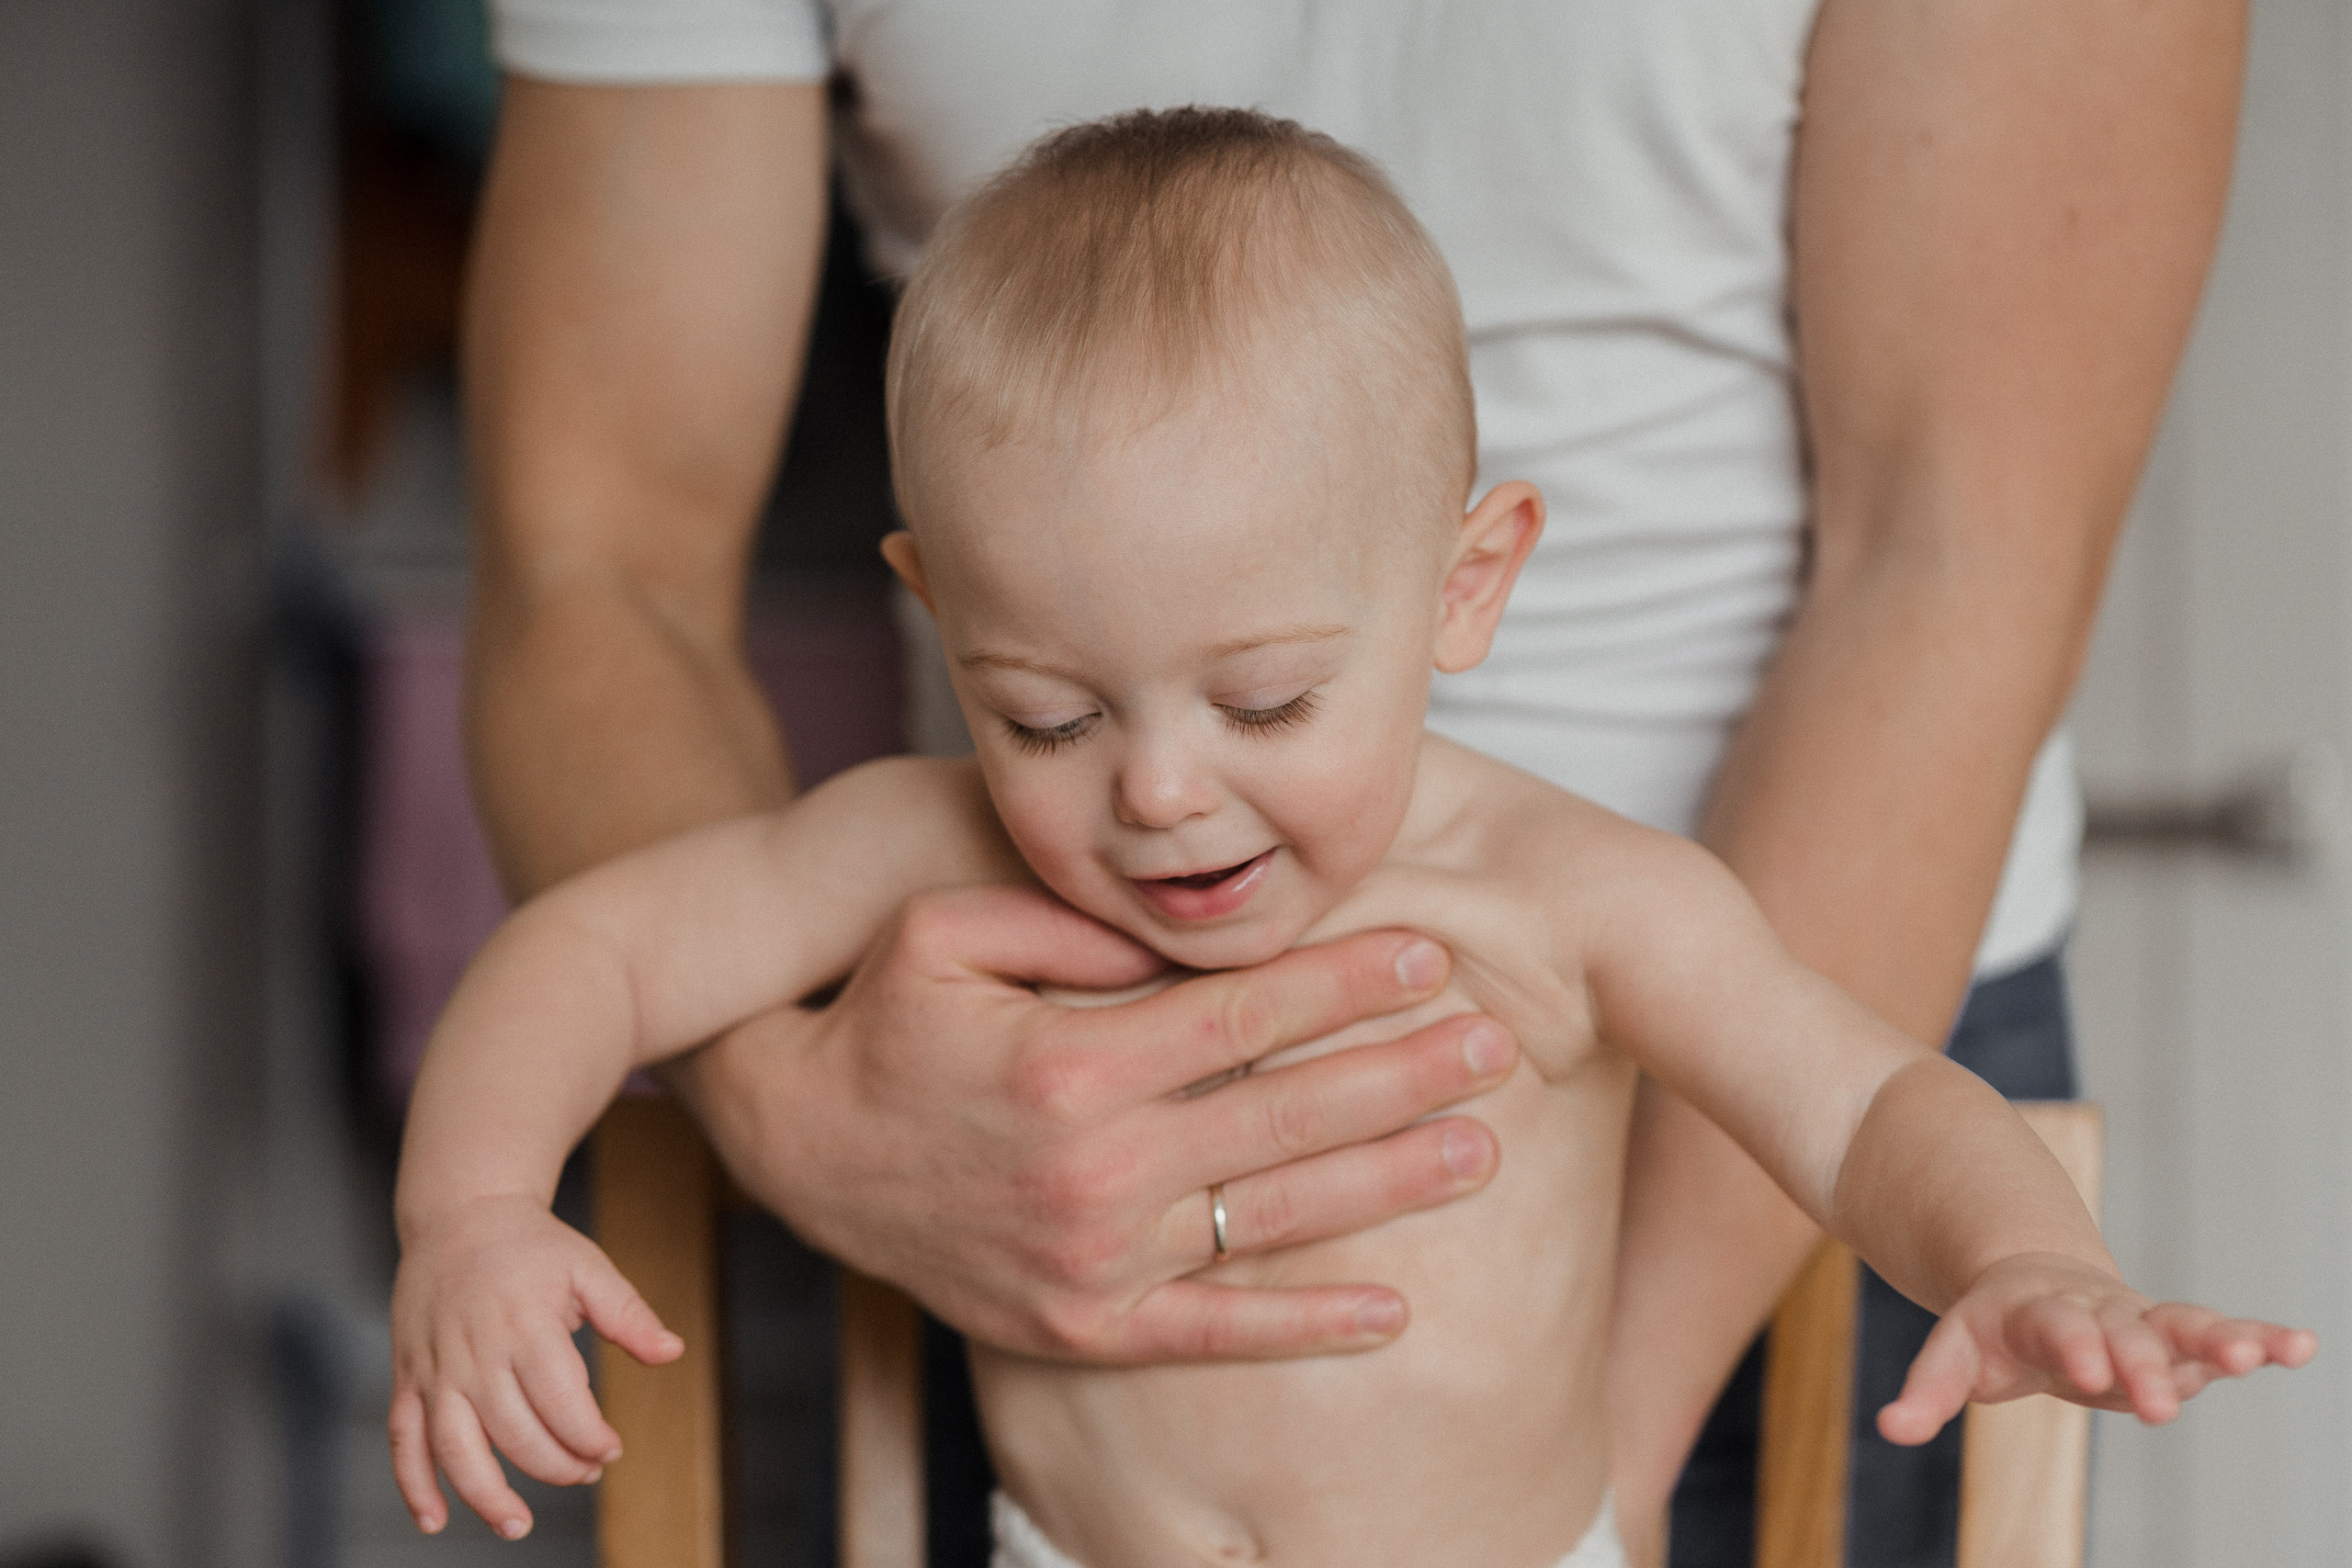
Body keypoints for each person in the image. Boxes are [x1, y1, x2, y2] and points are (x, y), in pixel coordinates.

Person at [392, 111, 2310, 1567]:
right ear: (928, 608)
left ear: (1464, 585)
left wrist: (2015, 1255)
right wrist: (472, 1210)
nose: (1154, 789)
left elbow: (1869, 1099)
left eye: (1262, 701)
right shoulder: (921, 843)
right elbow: (588, 951)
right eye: (1045, 711)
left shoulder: (1560, 900)